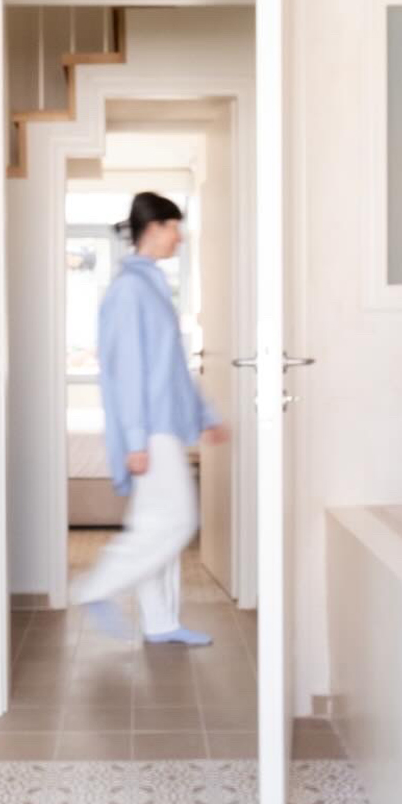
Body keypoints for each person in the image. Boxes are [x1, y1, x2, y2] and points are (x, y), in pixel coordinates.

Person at [72, 191, 228, 645]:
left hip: (166, 425)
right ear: (154, 228)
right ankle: (95, 587)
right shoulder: (128, 291)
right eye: (174, 227)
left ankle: (160, 621)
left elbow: (171, 366)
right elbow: (127, 373)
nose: (179, 237)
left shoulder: (154, 285)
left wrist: (206, 415)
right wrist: (136, 440)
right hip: (151, 430)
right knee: (177, 521)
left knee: (154, 524)